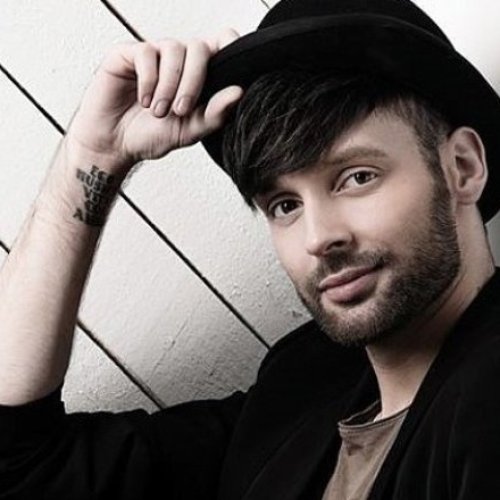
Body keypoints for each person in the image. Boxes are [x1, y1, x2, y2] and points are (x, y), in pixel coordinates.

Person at [1, 0, 500, 498]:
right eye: (285, 205)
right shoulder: (300, 389)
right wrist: (94, 156)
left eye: (357, 177)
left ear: (462, 167)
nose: (318, 237)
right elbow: (25, 466)